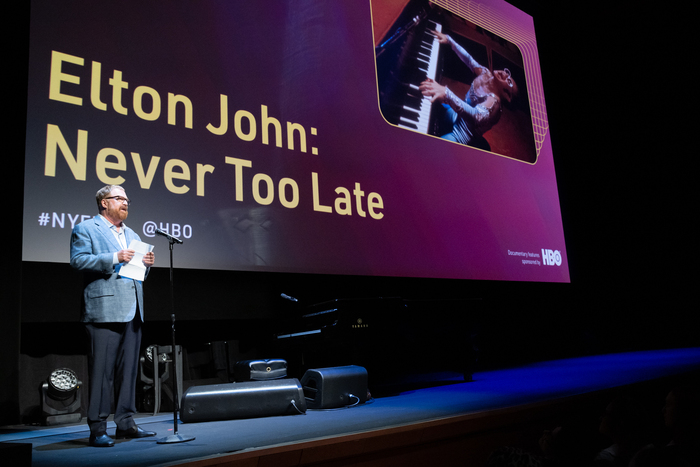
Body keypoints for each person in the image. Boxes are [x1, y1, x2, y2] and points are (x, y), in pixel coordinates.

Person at [70, 185, 156, 447]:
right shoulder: (86, 228)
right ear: (104, 203)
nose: (125, 202)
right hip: (104, 310)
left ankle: (126, 423)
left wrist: (146, 265)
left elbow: (135, 275)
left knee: (129, 372)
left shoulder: (132, 233)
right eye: (120, 198)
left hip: (132, 309)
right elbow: (78, 260)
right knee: (102, 373)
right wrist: (114, 256)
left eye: (127, 199)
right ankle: (97, 429)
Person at [418, 30, 518, 147]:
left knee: (430, 148)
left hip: (461, 134)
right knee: (426, 91)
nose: (506, 74)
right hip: (455, 115)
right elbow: (469, 60)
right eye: (508, 73)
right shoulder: (486, 74)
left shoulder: (494, 104)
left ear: (507, 95)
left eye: (509, 81)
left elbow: (475, 115)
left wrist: (446, 93)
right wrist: (451, 42)